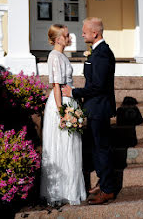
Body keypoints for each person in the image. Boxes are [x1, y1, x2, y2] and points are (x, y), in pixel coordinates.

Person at [62, 17, 116, 205]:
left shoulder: (102, 54)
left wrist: (74, 92)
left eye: (85, 31)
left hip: (99, 107)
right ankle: (103, 183)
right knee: (97, 148)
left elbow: (98, 86)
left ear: (95, 33)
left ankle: (108, 190)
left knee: (102, 149)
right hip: (94, 106)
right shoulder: (97, 51)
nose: (82, 33)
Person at [40, 24, 86, 206]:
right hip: (61, 104)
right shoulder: (54, 56)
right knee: (62, 145)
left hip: (69, 100)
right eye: (66, 36)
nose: (69, 38)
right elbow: (56, 86)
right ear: (58, 39)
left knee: (71, 146)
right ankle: (60, 190)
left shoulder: (61, 55)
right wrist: (61, 113)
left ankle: (70, 187)